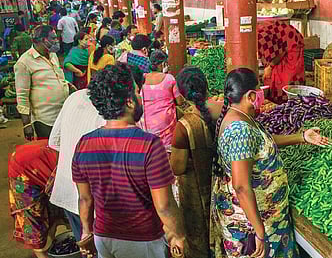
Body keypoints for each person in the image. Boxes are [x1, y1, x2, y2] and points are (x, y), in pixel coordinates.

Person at [210, 68, 331, 258]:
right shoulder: (240, 131)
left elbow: (261, 142)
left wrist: (302, 137)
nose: (262, 94)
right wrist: (259, 232)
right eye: (259, 89)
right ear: (251, 95)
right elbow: (241, 186)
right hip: (253, 223)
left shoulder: (241, 117)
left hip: (265, 216)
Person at [72, 63, 186, 258]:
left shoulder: (84, 143)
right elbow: (164, 205)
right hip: (143, 240)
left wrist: (86, 232)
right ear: (130, 102)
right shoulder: (149, 144)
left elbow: (85, 199)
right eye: (137, 92)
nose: (141, 96)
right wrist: (179, 235)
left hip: (103, 237)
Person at [48, 65, 145, 242]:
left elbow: (54, 142)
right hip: (94, 204)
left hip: (68, 192)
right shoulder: (113, 117)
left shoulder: (74, 97)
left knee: (87, 246)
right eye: (137, 91)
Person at [170, 66, 223, 258]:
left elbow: (178, 167)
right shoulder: (223, 110)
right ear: (207, 87)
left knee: (198, 241)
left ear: (182, 95)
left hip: (196, 195)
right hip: (222, 188)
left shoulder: (184, 126)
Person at [8, 140, 67, 258]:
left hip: (41, 159)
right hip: (24, 169)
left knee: (55, 210)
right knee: (33, 216)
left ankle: (52, 246)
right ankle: (41, 254)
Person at [14, 25, 70, 140]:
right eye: (53, 38)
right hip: (45, 120)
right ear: (43, 40)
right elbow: (22, 95)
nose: (56, 40)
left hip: (63, 113)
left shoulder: (52, 55)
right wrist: (27, 124)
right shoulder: (24, 62)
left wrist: (67, 85)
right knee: (49, 150)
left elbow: (57, 77)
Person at [139, 50, 183, 148]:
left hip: (146, 124)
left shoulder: (142, 78)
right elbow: (179, 102)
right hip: (165, 124)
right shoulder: (169, 79)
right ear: (163, 64)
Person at [257, 21, 305, 104]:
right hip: (283, 41)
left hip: (292, 41)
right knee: (274, 72)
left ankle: (287, 99)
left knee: (286, 75)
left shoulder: (262, 38)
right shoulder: (258, 37)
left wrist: (270, 67)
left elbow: (280, 54)